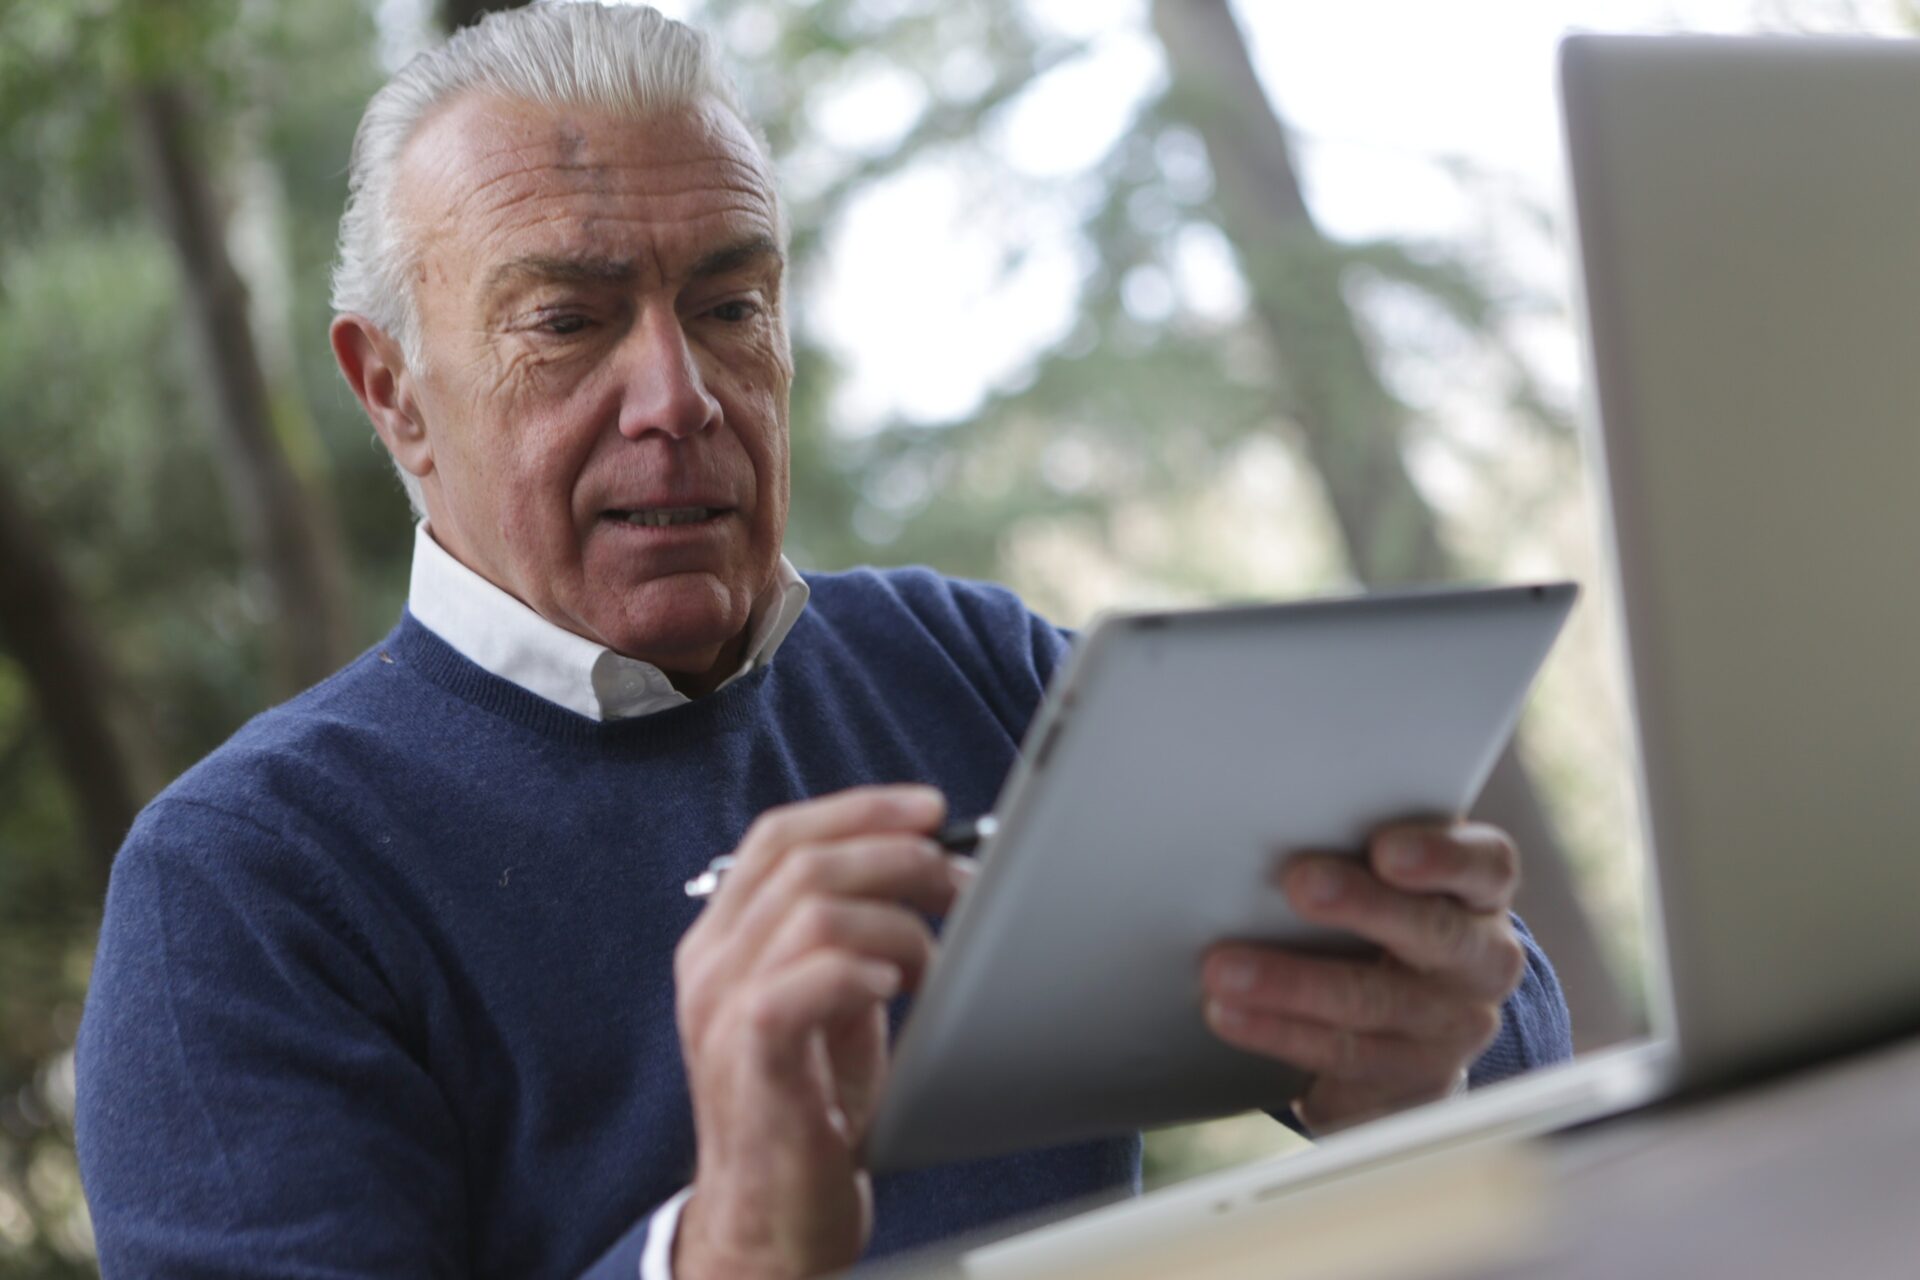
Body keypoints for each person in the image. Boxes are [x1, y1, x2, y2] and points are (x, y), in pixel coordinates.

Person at [74, 6, 1572, 1278]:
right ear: (392, 389)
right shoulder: (245, 882)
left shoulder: (962, 662)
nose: (680, 394)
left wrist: (1421, 1062)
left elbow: (1515, 1091)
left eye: (730, 302)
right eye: (569, 323)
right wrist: (723, 1245)